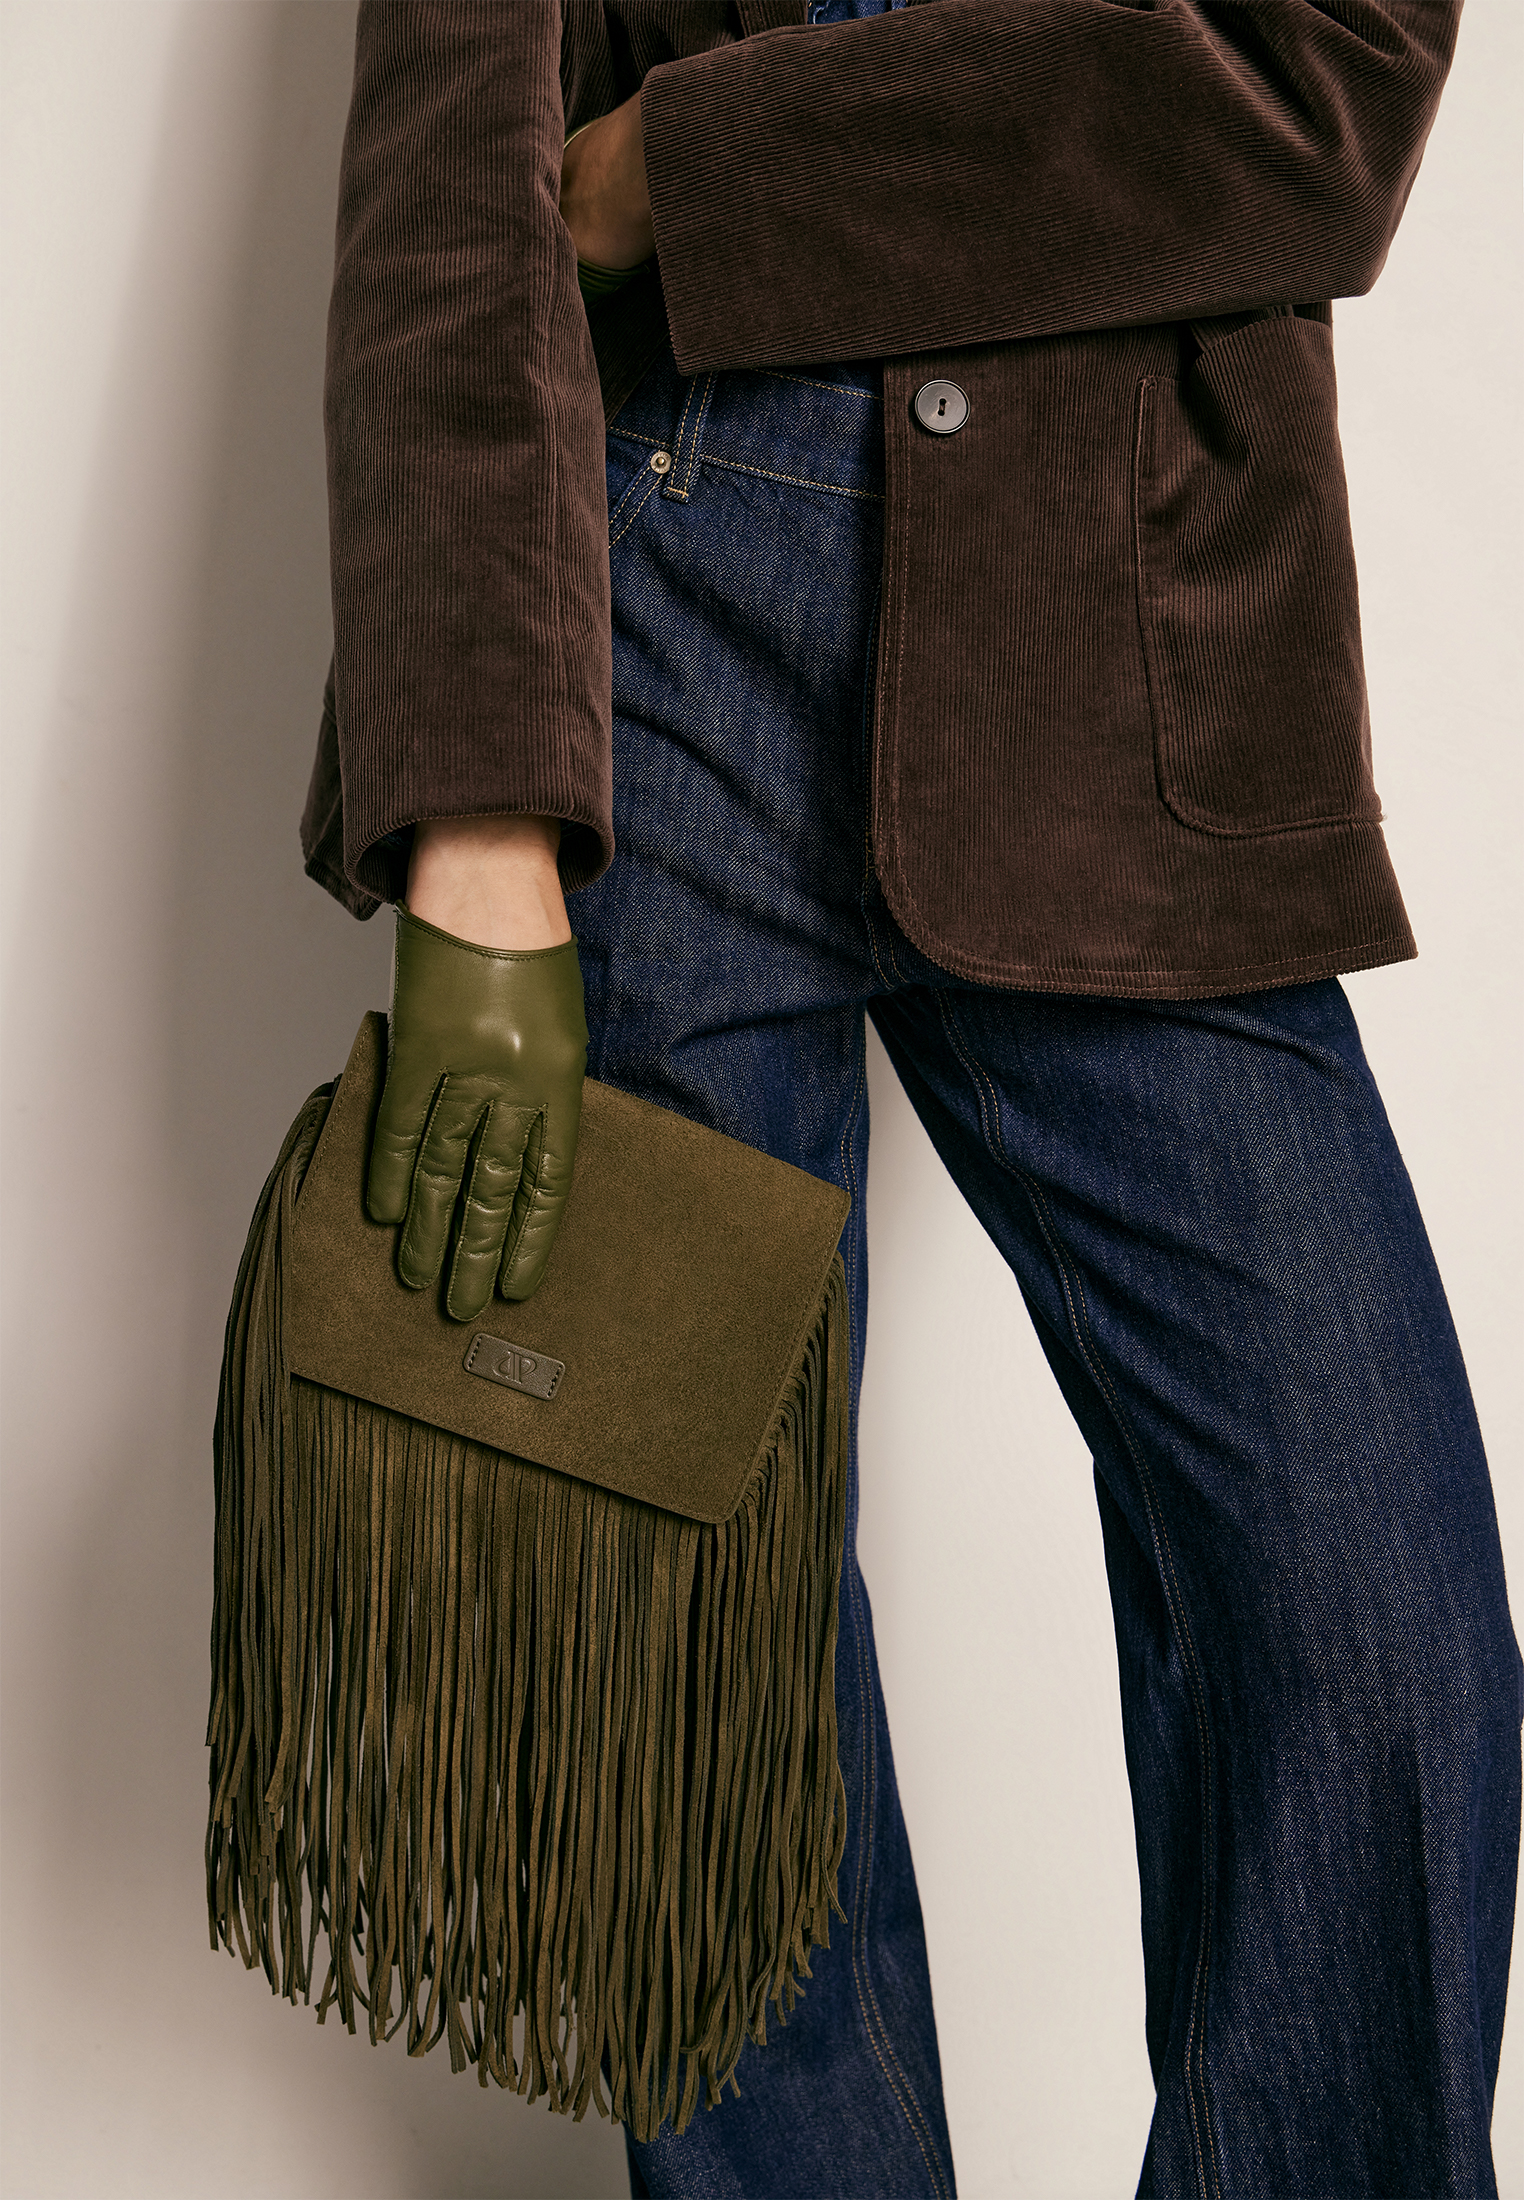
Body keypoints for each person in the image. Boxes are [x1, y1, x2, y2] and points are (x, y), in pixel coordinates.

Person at [302, 3, 1520, 2193]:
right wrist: (472, 803)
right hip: (647, 632)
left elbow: (1317, 94)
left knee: (1371, 1628)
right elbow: (445, 188)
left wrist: (699, 168)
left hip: (1128, 636)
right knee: (689, 1665)